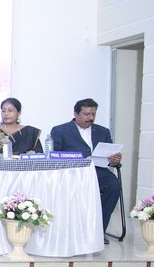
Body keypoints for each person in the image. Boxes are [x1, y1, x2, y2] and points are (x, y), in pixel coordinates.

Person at [51, 98, 123, 239]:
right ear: (76, 114)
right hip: (72, 172)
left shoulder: (103, 131)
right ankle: (72, 230)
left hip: (98, 171)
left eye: (93, 114)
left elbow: (110, 157)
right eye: (86, 114)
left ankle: (98, 231)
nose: (90, 118)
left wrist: (114, 160)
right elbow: (54, 155)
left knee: (114, 185)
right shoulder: (60, 130)